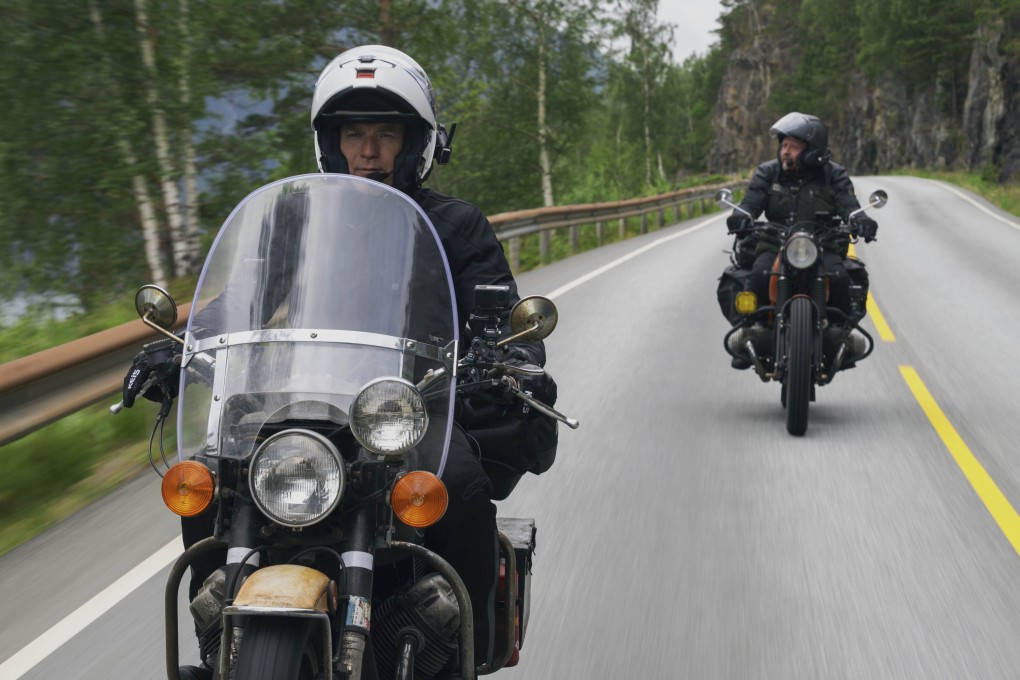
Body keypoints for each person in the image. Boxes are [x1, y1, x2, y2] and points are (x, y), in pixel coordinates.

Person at [122, 45, 556, 680]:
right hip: (298, 406)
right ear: (332, 142)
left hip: (403, 414)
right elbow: (239, 303)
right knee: (206, 483)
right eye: (355, 133)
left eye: (386, 134)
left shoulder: (455, 226)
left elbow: (502, 319)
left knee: (458, 486)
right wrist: (183, 345)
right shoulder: (294, 220)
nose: (370, 150)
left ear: (417, 144)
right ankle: (221, 645)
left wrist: (507, 358)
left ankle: (461, 651)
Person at [718, 111, 878, 369]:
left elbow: (848, 203)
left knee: (839, 278)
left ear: (812, 150)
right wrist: (741, 216)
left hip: (822, 244)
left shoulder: (833, 174)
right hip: (774, 241)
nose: (785, 151)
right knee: (758, 276)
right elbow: (751, 202)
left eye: (793, 146)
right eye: (784, 145)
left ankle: (839, 336)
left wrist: (861, 220)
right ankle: (750, 333)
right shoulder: (768, 173)